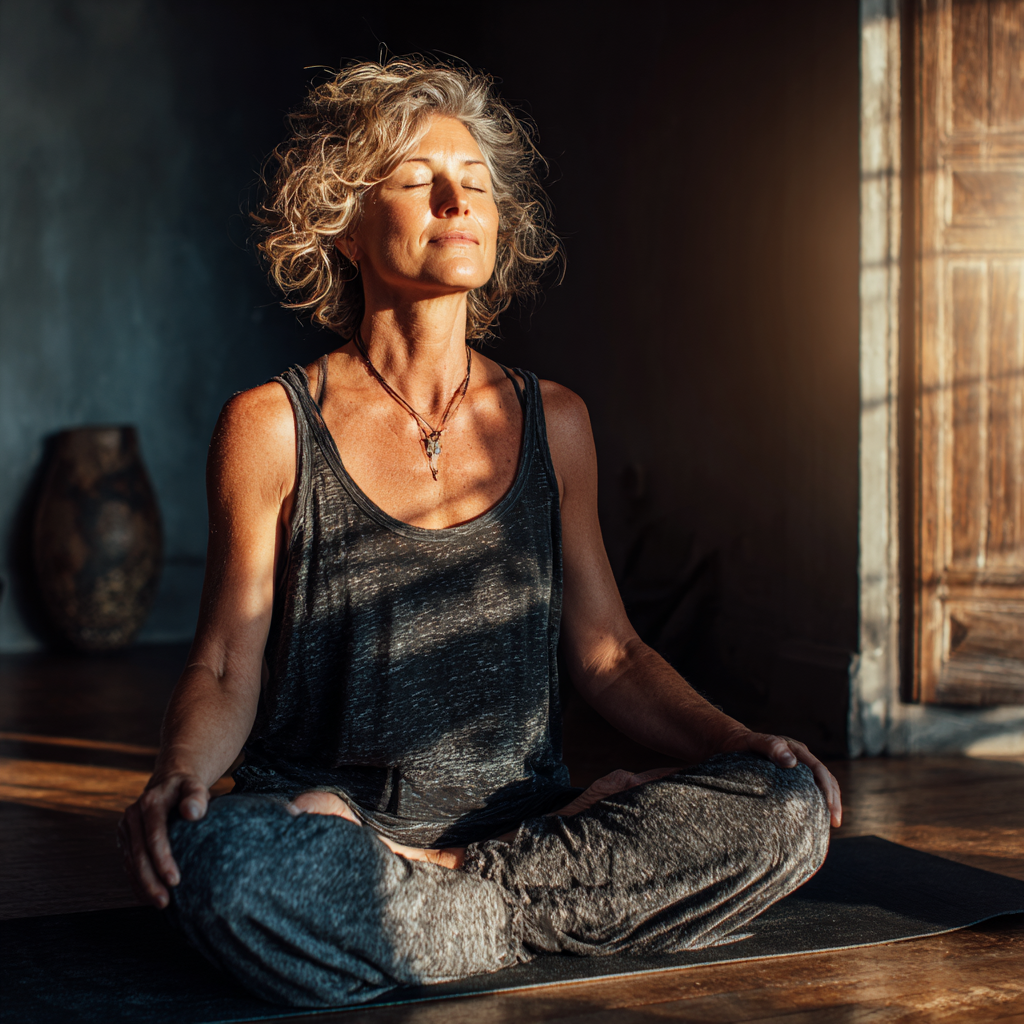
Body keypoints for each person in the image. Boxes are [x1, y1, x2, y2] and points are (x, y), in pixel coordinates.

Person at [119, 58, 841, 1009]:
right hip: (336, 831)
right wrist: (178, 778)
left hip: (531, 827)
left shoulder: (557, 422)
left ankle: (446, 900)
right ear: (344, 227)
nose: (458, 200)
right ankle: (507, 911)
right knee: (224, 869)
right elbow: (221, 666)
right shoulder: (271, 426)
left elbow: (613, 656)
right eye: (419, 180)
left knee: (788, 812)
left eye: (478, 184)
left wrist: (739, 739)